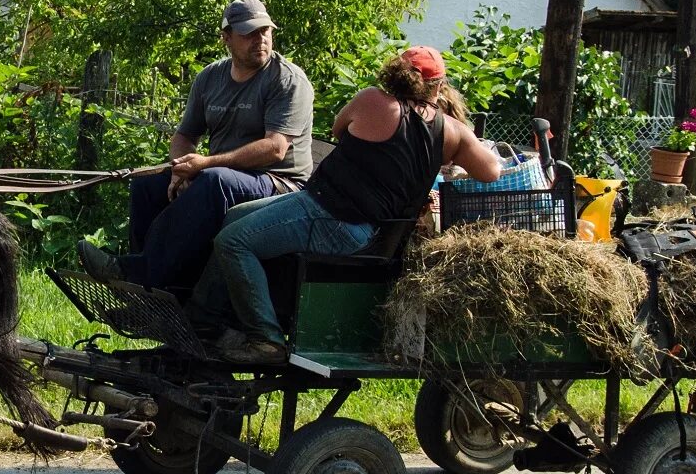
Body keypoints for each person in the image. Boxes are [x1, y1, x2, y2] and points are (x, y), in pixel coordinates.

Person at [192, 45, 503, 364]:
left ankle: (265, 339)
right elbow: (491, 171)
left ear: (395, 75)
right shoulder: (450, 131)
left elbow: (339, 128)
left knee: (233, 243)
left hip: (329, 216)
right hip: (368, 231)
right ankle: (210, 320)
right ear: (438, 85)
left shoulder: (374, 100)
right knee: (235, 217)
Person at [79, 0, 313, 291]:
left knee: (213, 181)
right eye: (249, 33)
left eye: (265, 31)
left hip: (280, 184)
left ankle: (137, 273)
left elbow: (275, 148)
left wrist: (205, 163)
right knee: (147, 183)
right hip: (227, 175)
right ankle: (156, 289)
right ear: (226, 37)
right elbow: (185, 136)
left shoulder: (287, 79)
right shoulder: (210, 77)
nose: (260, 40)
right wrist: (179, 169)